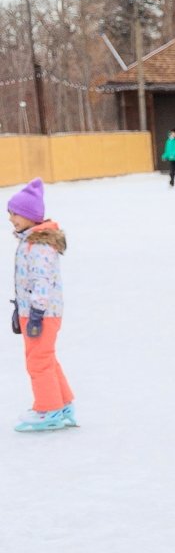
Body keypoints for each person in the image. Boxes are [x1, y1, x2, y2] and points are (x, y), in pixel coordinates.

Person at [9, 179, 74, 432]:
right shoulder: (31, 240)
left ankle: (48, 409)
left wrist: (35, 312)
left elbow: (41, 281)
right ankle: (63, 402)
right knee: (46, 358)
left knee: (38, 361)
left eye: (15, 213)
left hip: (41, 314)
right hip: (35, 311)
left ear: (29, 215)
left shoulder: (39, 245)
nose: (11, 218)